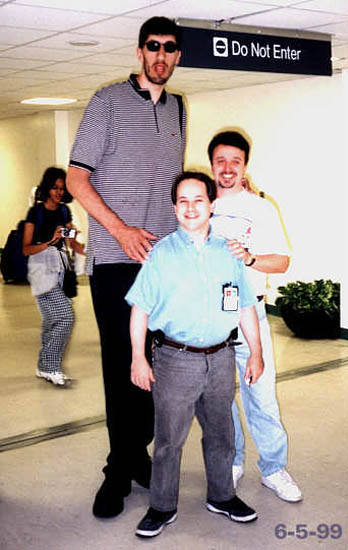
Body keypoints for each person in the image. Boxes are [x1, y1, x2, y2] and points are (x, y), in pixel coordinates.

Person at [66, 16, 186, 519]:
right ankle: (117, 473)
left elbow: (173, 184)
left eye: (170, 48)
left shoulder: (179, 107)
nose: (161, 55)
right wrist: (122, 232)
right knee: (123, 368)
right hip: (117, 261)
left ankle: (137, 454)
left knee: (157, 367)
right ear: (139, 52)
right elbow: (75, 180)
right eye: (152, 47)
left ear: (177, 56)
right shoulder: (106, 102)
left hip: (164, 264)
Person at [126, 172, 264, 538]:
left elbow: (245, 305)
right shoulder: (160, 255)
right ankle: (162, 505)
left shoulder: (228, 252)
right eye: (183, 201)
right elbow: (139, 308)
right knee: (169, 439)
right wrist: (138, 358)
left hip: (221, 358)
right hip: (176, 360)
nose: (191, 207)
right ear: (174, 208)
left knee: (222, 433)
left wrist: (256, 353)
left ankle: (222, 496)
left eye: (198, 200)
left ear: (211, 205)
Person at [208, 131, 302, 502]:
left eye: (235, 161)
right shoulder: (201, 204)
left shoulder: (261, 208)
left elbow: (281, 261)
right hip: (209, 318)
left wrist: (248, 258)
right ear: (212, 163)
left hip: (251, 316)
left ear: (245, 165)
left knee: (261, 397)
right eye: (221, 161)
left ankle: (274, 469)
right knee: (219, 401)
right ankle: (232, 462)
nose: (228, 169)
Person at [23, 167, 84, 386]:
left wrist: (79, 243)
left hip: (60, 267)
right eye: (54, 188)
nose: (58, 192)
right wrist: (50, 240)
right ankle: (49, 366)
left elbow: (72, 241)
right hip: (41, 268)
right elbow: (26, 248)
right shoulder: (36, 213)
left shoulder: (65, 211)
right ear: (47, 188)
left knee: (51, 320)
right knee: (66, 317)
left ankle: (45, 366)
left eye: (61, 188)